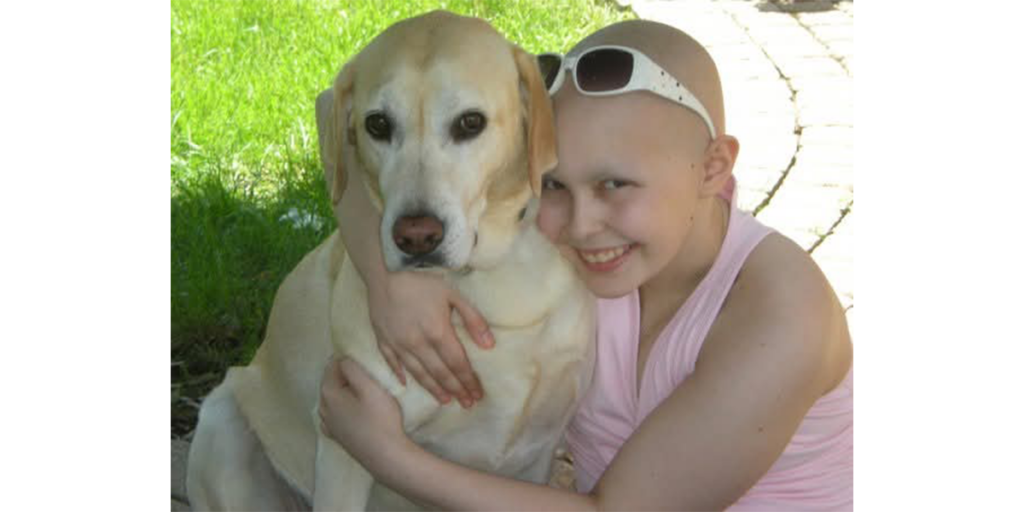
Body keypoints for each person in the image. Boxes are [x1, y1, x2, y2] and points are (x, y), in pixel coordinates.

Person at [319, 19, 854, 511]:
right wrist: (389, 278)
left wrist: (388, 457)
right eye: (553, 185)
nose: (580, 224)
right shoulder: (596, 250)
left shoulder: (782, 311)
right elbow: (333, 107)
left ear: (713, 167)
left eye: (614, 185)